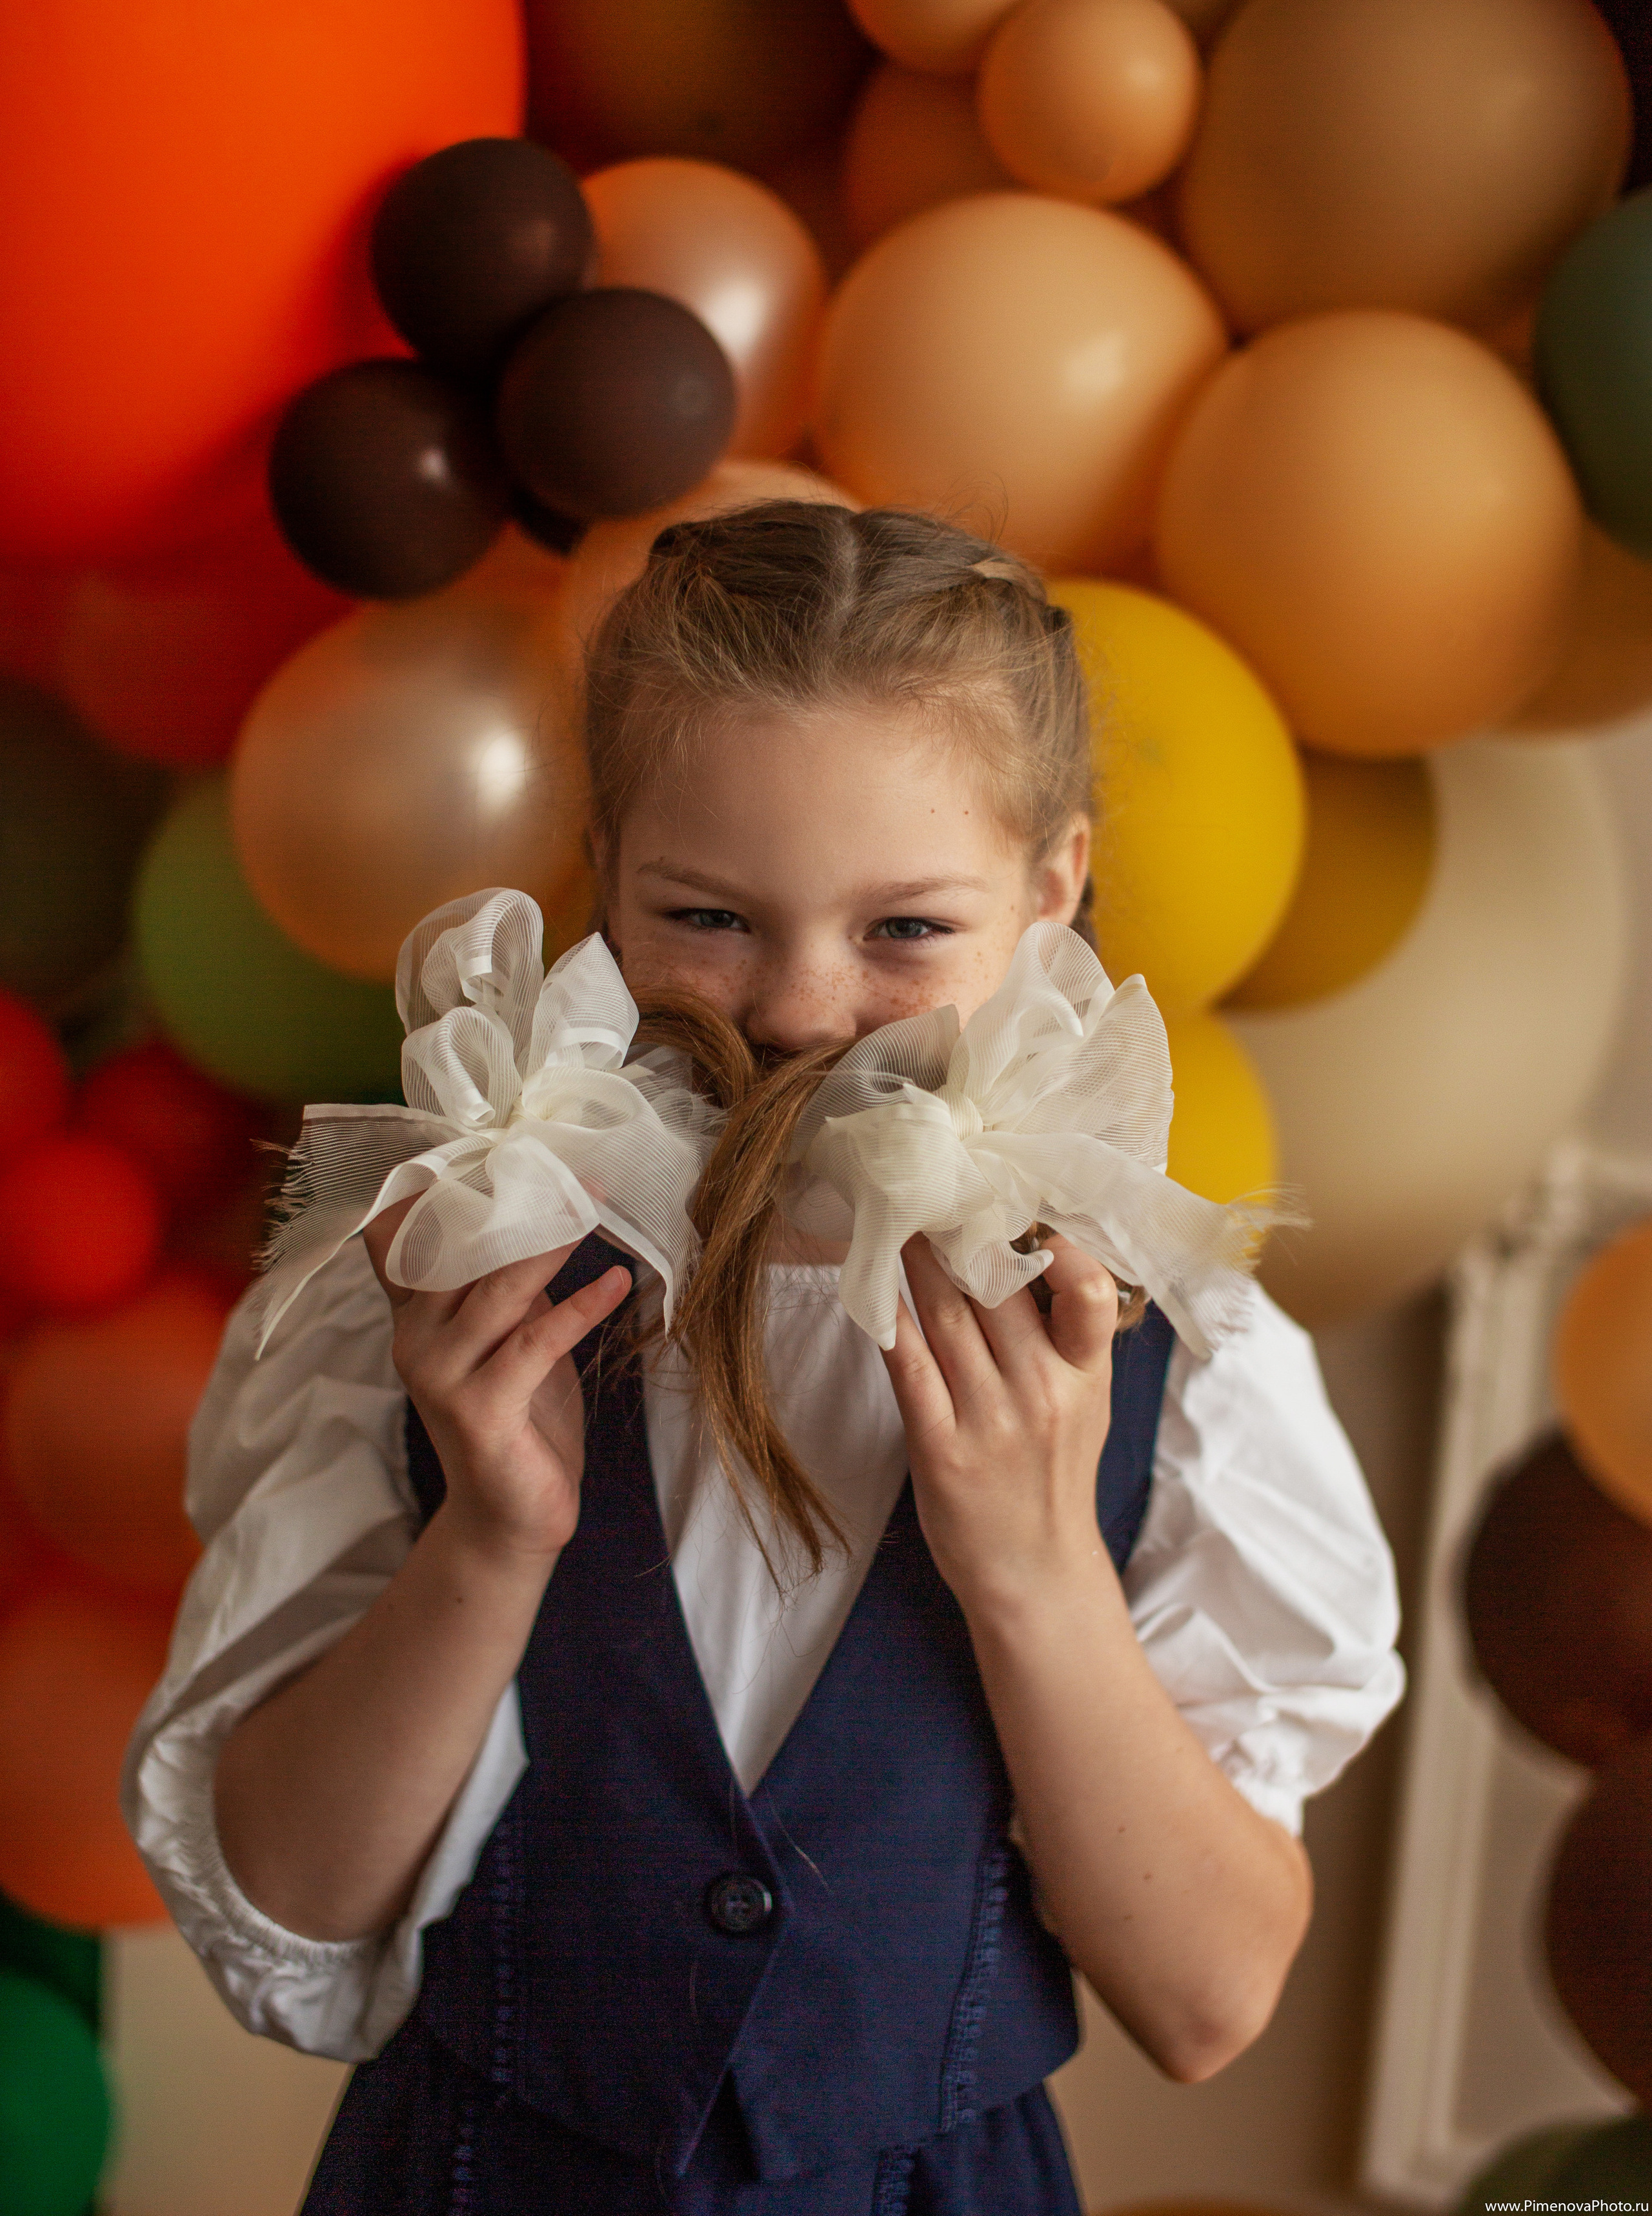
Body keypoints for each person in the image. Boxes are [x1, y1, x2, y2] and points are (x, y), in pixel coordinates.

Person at [125, 503, 1405, 2216]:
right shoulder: (436, 1280)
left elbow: (1204, 2001)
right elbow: (291, 1900)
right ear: (605, 869)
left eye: (906, 931)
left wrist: (1034, 1572)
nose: (798, 1008)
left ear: (1052, 887)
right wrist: (487, 1543)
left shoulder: (1178, 1353)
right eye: (711, 916)